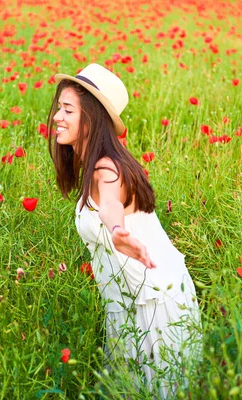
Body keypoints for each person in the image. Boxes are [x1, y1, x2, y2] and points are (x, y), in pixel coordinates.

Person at [47, 63, 201, 397]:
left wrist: (117, 230)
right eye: (59, 107)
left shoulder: (106, 167)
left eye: (68, 109)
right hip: (128, 300)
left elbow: (111, 205)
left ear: (91, 118)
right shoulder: (94, 164)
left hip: (153, 302)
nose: (58, 116)